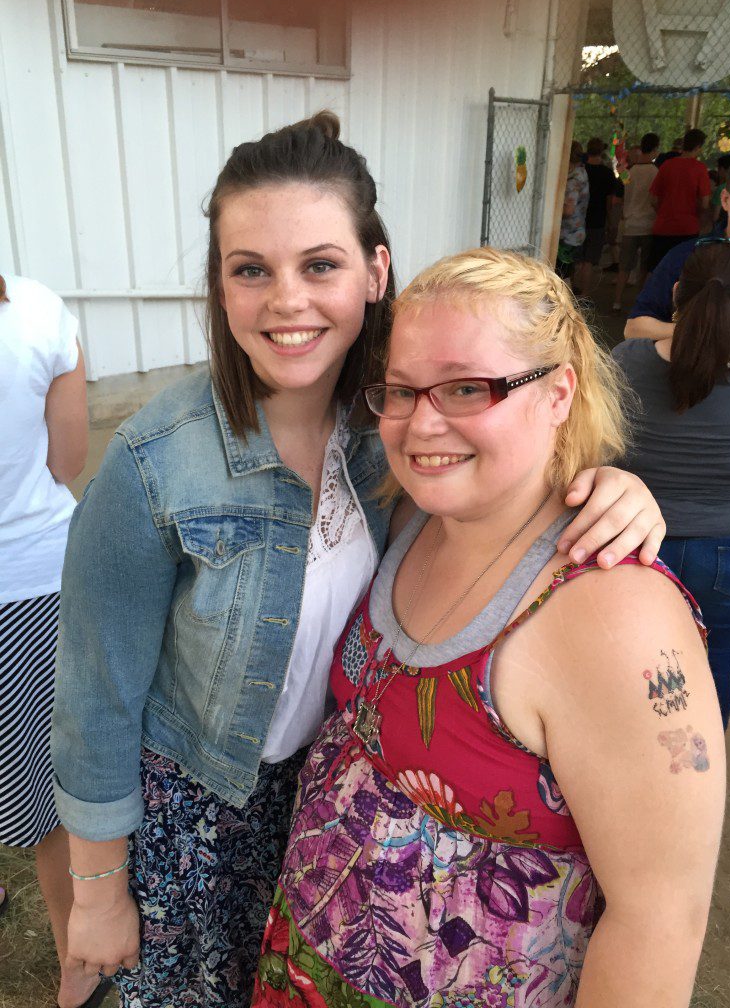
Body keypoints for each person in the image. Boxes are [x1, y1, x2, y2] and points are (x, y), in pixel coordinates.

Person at [51, 113, 666, 1008]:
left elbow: (509, 480)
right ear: (220, 288)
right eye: (250, 269)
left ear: (376, 271)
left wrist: (611, 485)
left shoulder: (401, 436)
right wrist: (98, 895)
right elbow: (95, 697)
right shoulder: (156, 460)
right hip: (187, 819)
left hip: (321, 816)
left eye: (321, 265)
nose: (286, 301)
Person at [255, 247, 725, 1008]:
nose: (421, 422)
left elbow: (661, 921)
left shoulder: (617, 618)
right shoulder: (411, 513)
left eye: (469, 387)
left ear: (558, 393)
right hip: (311, 961)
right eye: (401, 391)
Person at [615, 240, 730, 728]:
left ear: (677, 293)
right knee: (717, 657)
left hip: (634, 542)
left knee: (632, 664)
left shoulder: (627, 361)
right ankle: (700, 786)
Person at [0, 272, 94, 1008]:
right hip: (31, 579)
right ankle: (75, 964)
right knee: (42, 791)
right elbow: (67, 463)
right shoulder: (36, 313)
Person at [626, 152, 730, 343]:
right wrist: (700, 331)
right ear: (725, 200)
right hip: (691, 371)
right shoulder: (686, 256)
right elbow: (633, 329)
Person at [647, 128, 710, 269]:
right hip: (687, 228)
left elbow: (653, 199)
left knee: (657, 270)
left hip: (663, 226)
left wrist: (663, 212)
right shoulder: (700, 169)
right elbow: (705, 204)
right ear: (699, 147)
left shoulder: (667, 165)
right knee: (682, 271)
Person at [613, 132, 659, 311]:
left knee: (624, 267)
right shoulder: (656, 172)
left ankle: (616, 301)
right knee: (643, 268)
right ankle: (638, 303)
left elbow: (624, 193)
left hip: (630, 224)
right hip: (648, 224)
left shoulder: (629, 173)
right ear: (655, 150)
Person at [573, 137, 617, 297]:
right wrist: (610, 220)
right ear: (602, 151)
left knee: (575, 257)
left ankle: (572, 287)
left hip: (577, 219)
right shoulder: (607, 173)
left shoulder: (580, 170)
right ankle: (584, 293)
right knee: (589, 260)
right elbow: (609, 201)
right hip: (597, 219)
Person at [556, 140, 589, 279]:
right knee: (566, 276)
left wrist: (550, 213)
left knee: (561, 278)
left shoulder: (573, 180)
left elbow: (568, 211)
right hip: (576, 233)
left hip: (568, 236)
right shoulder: (581, 171)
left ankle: (565, 300)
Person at [711, 154, 730, 229]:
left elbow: (715, 217)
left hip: (722, 229)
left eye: (718, 169)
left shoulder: (721, 189)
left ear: (721, 169)